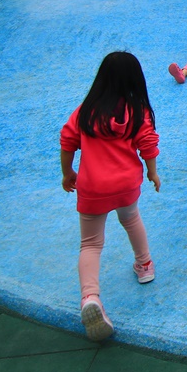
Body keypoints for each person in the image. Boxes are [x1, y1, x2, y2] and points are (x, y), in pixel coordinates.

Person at [60, 51, 160, 342]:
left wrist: (68, 174)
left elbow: (67, 141)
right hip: (126, 184)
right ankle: (144, 265)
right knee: (131, 219)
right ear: (135, 79)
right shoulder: (137, 110)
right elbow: (148, 145)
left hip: (92, 187)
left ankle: (90, 298)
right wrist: (152, 173)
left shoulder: (86, 110)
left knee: (90, 243)